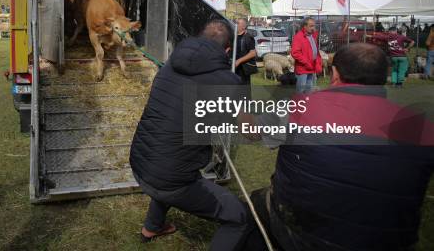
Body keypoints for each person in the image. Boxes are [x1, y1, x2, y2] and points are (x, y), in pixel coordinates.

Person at [249, 43, 434, 251]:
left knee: (254, 205)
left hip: (300, 234)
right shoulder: (421, 128)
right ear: (386, 76)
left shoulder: (301, 109)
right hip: (388, 242)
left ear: (334, 73)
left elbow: (252, 131)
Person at [129, 20, 254, 250]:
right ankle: (155, 222)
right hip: (168, 177)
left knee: (169, 165)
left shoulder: (169, 65)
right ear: (227, 50)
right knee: (239, 217)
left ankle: (152, 227)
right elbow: (251, 132)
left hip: (139, 162)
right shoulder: (227, 82)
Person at [290, 17, 322, 93]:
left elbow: (315, 50)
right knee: (301, 90)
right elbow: (295, 52)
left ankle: (307, 103)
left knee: (309, 89)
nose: (313, 28)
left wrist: (318, 61)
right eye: (311, 26)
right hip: (303, 68)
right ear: (305, 26)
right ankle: (298, 103)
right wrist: (306, 62)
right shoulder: (298, 37)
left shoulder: (312, 36)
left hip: (312, 67)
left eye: (314, 26)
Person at [234, 18, 257, 85]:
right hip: (234, 67)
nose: (235, 25)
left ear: (243, 27)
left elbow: (253, 53)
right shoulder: (234, 36)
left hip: (244, 68)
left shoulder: (248, 37)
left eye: (238, 23)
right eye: (235, 23)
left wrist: (239, 61)